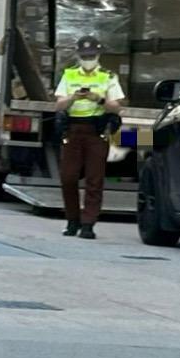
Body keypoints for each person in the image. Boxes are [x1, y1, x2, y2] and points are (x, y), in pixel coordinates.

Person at [53, 36, 124, 239]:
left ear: (98, 55)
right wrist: (73, 97)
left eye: (91, 56)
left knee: (94, 180)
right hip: (72, 131)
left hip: (96, 131)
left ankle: (88, 224)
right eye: (84, 56)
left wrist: (98, 99)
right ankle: (72, 220)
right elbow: (58, 105)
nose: (88, 59)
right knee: (68, 177)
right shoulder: (69, 74)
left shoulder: (108, 76)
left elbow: (117, 107)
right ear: (78, 56)